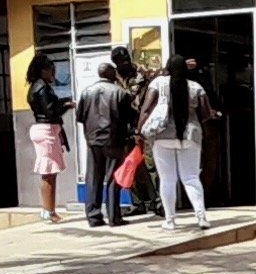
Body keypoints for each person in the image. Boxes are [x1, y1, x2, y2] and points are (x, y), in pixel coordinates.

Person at [138, 55, 217, 231]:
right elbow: (205, 114)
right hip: (190, 136)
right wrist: (213, 114)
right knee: (191, 177)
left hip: (162, 136)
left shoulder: (158, 83)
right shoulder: (196, 87)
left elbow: (146, 109)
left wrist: (140, 130)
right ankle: (201, 217)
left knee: (167, 179)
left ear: (167, 67)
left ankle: (170, 220)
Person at [77, 63, 130, 228]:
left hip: (93, 140)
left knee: (93, 177)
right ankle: (114, 217)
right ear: (111, 74)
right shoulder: (120, 92)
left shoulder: (86, 92)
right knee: (113, 177)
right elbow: (128, 117)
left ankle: (93, 216)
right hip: (114, 139)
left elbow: (80, 117)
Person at [111, 46, 158, 216]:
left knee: (150, 165)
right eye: (120, 62)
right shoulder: (112, 78)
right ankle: (138, 203)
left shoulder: (141, 74)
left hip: (143, 125)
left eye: (126, 60)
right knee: (131, 165)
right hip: (123, 128)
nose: (125, 64)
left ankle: (157, 202)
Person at [26, 52, 71, 223]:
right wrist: (66, 105)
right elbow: (51, 110)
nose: (53, 75)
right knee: (49, 172)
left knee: (50, 172)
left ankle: (49, 209)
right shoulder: (42, 88)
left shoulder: (36, 86)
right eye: (51, 71)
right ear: (43, 70)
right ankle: (49, 210)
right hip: (47, 129)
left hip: (44, 128)